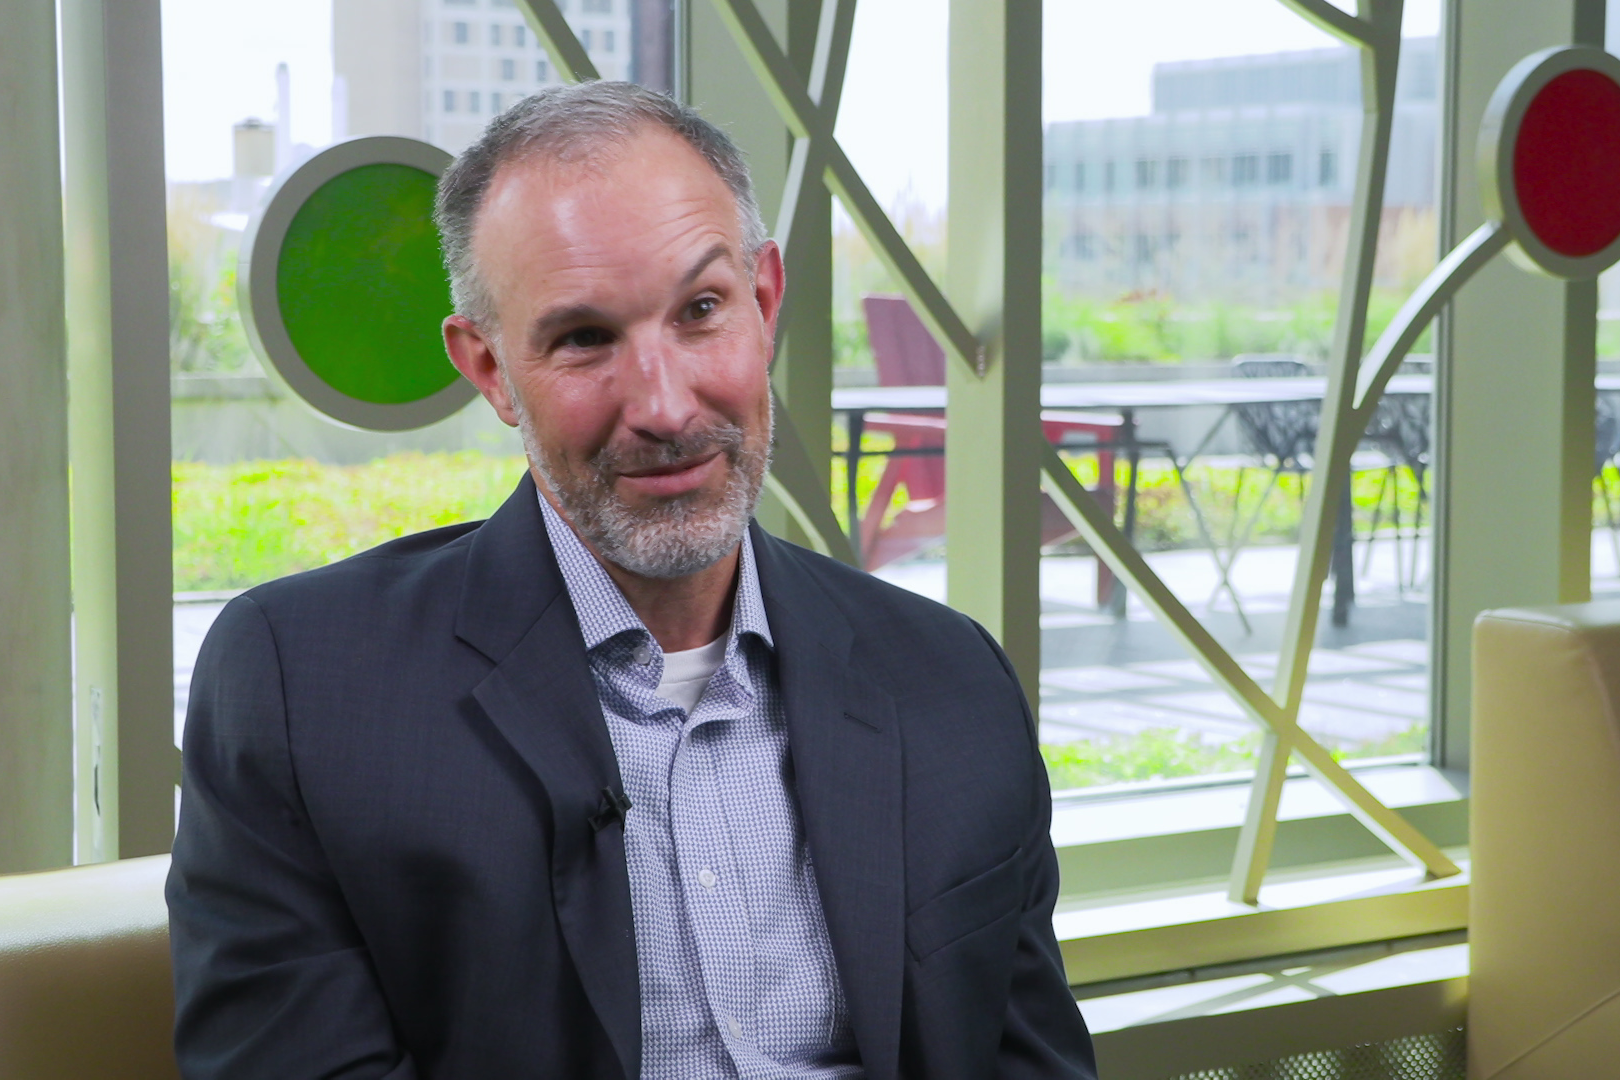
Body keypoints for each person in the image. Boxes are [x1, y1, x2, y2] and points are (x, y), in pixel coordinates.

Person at [166, 80, 1096, 1080]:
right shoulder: (306, 690)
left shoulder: (950, 681)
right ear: (488, 370)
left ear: (766, 302)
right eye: (583, 339)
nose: (663, 404)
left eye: (701, 311)